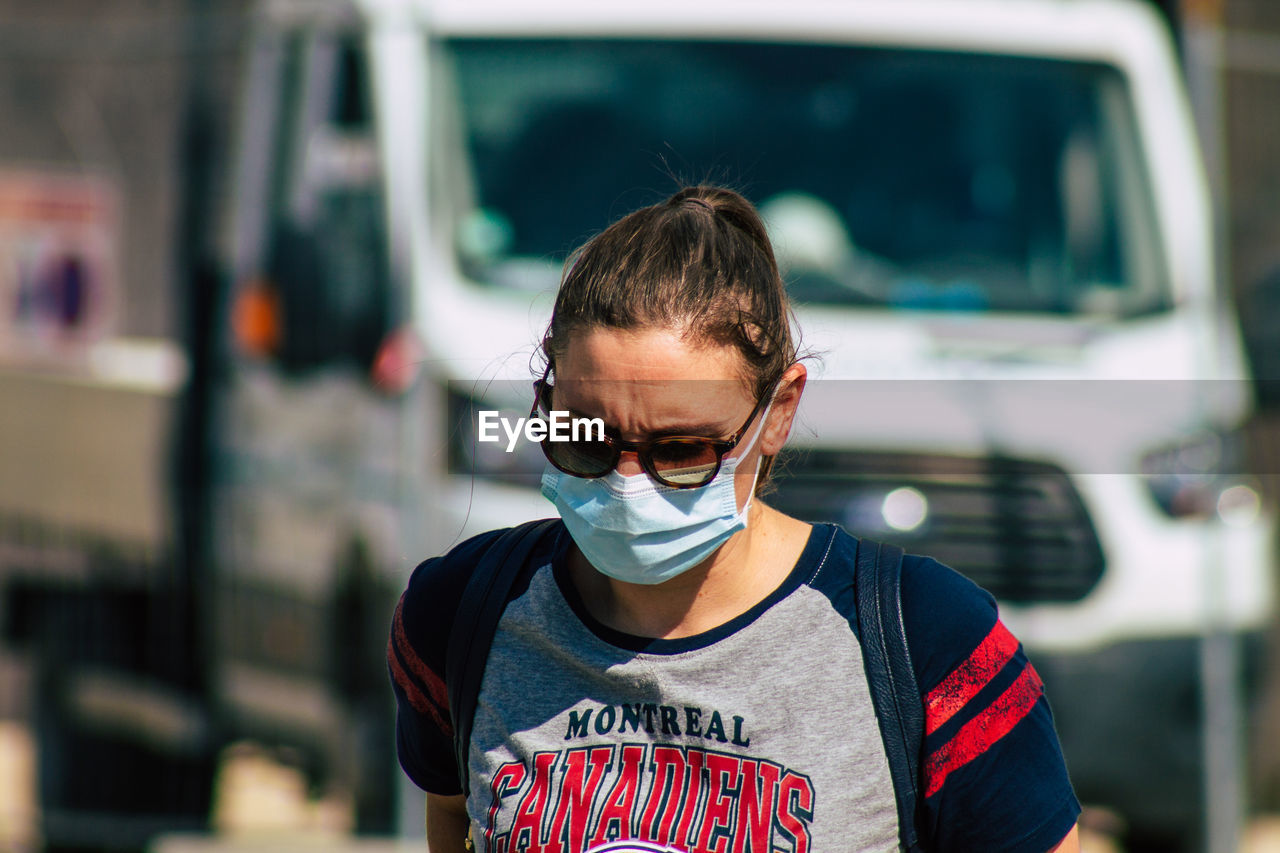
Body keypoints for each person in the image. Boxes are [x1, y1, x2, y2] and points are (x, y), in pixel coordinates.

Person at [388, 186, 1081, 852]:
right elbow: (453, 814)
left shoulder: (930, 645)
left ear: (779, 411)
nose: (629, 482)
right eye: (589, 440)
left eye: (682, 449)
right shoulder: (460, 616)